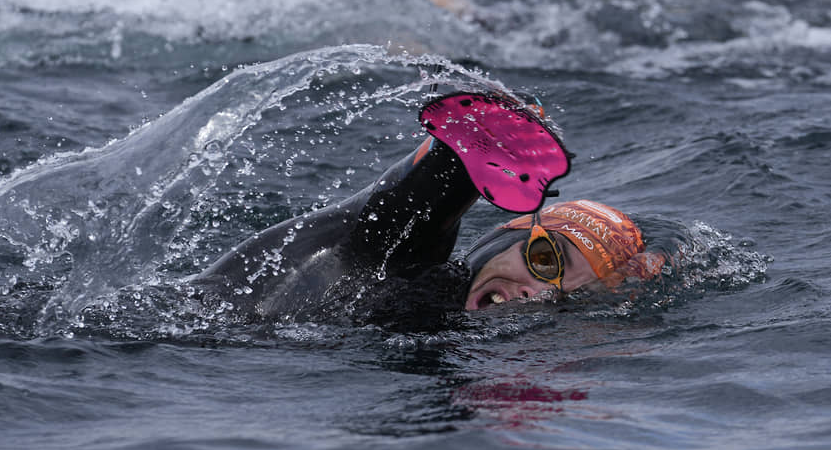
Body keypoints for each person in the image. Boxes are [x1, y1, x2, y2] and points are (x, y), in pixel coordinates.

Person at [196, 92, 660, 321]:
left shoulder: (454, 331)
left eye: (564, 297)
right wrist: (466, 157)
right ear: (504, 235)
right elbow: (389, 222)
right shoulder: (411, 272)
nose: (535, 296)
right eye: (543, 260)